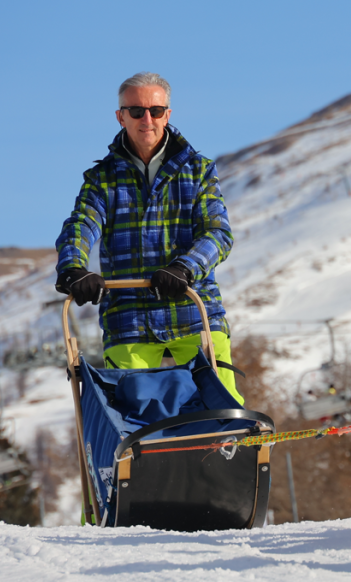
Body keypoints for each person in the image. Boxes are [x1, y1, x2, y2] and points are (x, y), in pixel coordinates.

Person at [55, 72, 243, 403]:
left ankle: (228, 448)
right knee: (133, 412)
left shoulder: (196, 170)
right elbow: (82, 223)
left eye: (156, 111)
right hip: (129, 313)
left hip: (192, 307)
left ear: (167, 114)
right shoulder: (103, 179)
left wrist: (184, 269)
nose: (147, 119)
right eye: (137, 111)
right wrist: (74, 267)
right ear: (121, 116)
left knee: (219, 405)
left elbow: (218, 232)